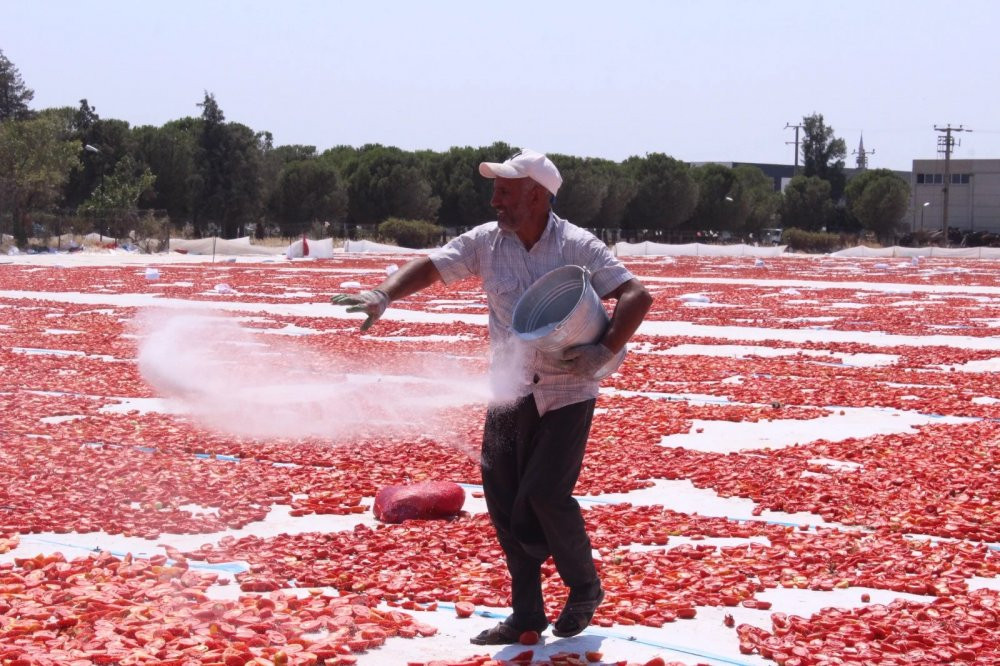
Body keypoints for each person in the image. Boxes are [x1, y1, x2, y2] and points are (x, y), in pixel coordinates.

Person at [331, 149, 652, 644]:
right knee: (504, 502)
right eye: (496, 190)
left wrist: (603, 350)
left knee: (544, 494)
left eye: (505, 190)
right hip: (509, 391)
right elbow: (433, 265)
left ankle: (585, 587)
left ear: (537, 195)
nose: (494, 199)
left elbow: (636, 296)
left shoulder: (577, 245)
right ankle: (526, 615)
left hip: (568, 389)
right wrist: (384, 294)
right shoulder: (487, 241)